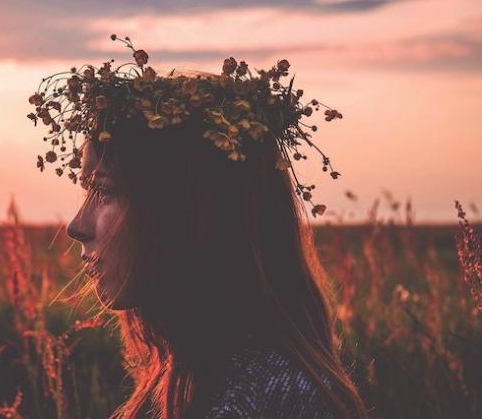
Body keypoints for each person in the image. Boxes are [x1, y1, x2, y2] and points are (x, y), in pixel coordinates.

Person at [28, 35, 370, 419]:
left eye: (104, 191)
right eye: (87, 189)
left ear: (183, 211)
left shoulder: (259, 399)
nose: (76, 226)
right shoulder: (210, 373)